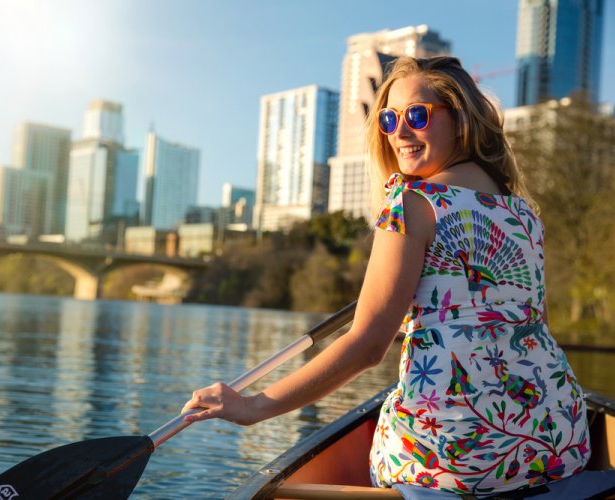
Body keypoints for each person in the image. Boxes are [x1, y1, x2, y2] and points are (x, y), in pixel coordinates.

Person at [182, 56, 590, 495]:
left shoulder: (413, 200)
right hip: (559, 439)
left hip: (462, 460)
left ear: (461, 119)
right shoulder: (525, 214)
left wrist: (253, 406)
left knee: (386, 438)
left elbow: (368, 346)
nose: (398, 131)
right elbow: (530, 328)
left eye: (417, 115)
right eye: (388, 118)